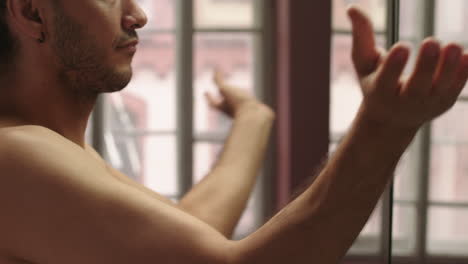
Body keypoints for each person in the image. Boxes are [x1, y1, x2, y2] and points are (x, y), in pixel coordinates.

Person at [0, 0, 467, 263]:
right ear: (32, 12)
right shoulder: (15, 155)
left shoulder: (43, 149)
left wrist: (253, 120)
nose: (137, 15)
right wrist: (384, 126)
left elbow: (191, 231)